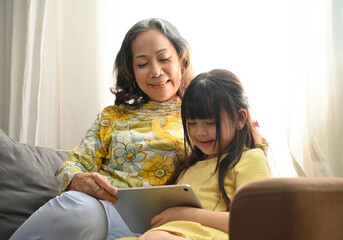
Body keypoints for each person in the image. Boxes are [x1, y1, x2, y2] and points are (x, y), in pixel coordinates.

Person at [10, 18, 194, 240]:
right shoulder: (112, 116)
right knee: (79, 208)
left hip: (168, 223)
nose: (155, 72)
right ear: (131, 70)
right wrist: (77, 178)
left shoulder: (203, 116)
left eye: (164, 59)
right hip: (103, 211)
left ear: (181, 59)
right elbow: (72, 164)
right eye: (142, 64)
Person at [117, 69, 271, 240]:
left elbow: (256, 222)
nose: (200, 133)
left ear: (240, 119)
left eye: (210, 123)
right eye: (192, 123)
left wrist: (186, 214)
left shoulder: (250, 159)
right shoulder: (189, 167)